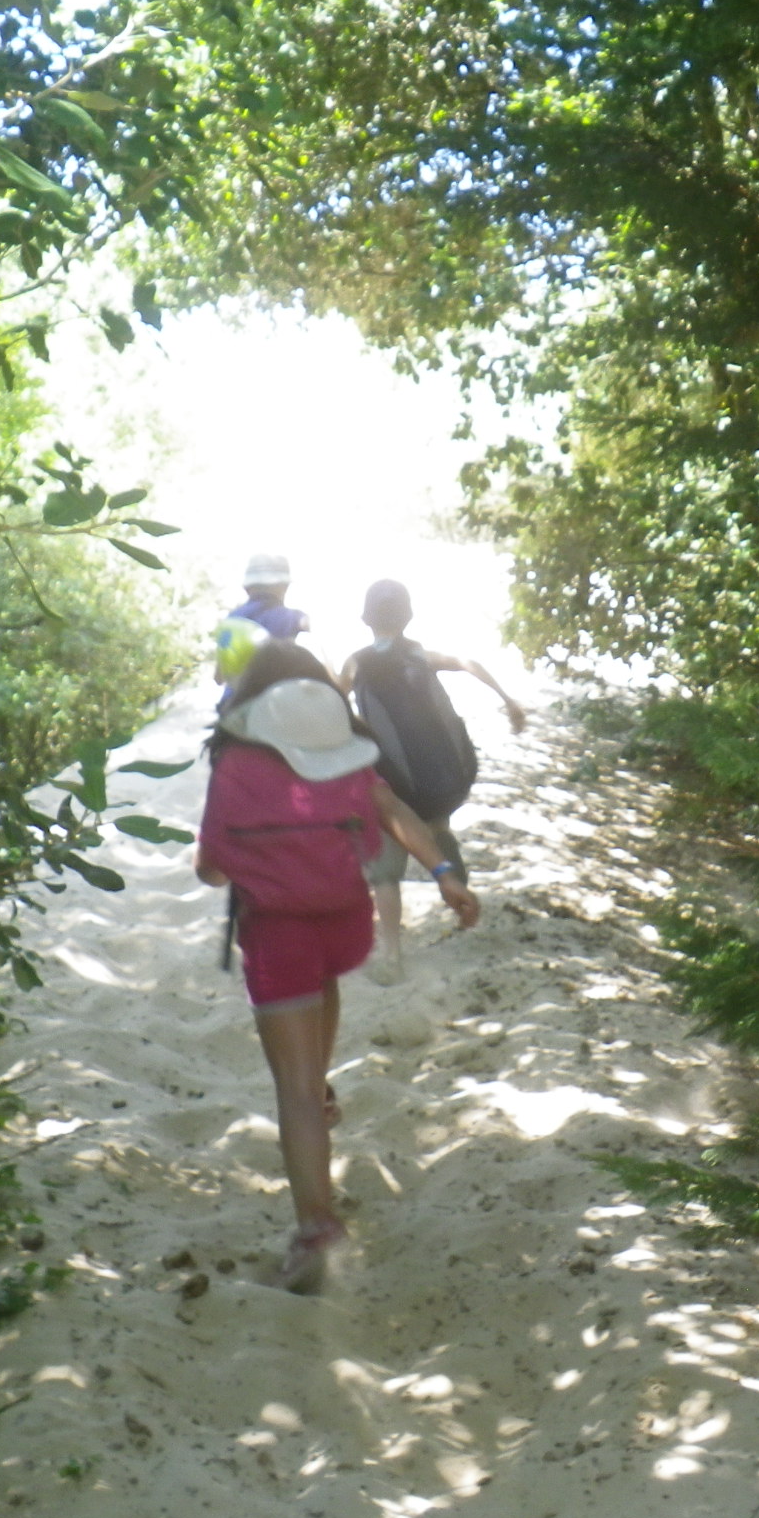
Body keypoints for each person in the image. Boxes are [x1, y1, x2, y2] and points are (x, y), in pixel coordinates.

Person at [197, 639, 479, 1291]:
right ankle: (319, 1088)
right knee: (321, 995)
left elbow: (210, 870)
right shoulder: (344, 758)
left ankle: (316, 1225)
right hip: (343, 927)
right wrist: (444, 874)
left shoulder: (237, 763)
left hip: (277, 936)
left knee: (292, 1092)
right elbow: (397, 813)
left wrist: (259, 855)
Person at [339, 578, 527, 983]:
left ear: (365, 619)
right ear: (408, 617)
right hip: (439, 777)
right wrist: (507, 699)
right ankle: (458, 892)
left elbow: (333, 704)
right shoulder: (420, 654)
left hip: (391, 780)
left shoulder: (355, 663)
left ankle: (392, 954)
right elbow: (467, 663)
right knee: (438, 827)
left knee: (387, 868)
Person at [228, 553, 307, 642]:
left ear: (248, 588)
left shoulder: (233, 617)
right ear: (281, 587)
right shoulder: (287, 617)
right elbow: (304, 622)